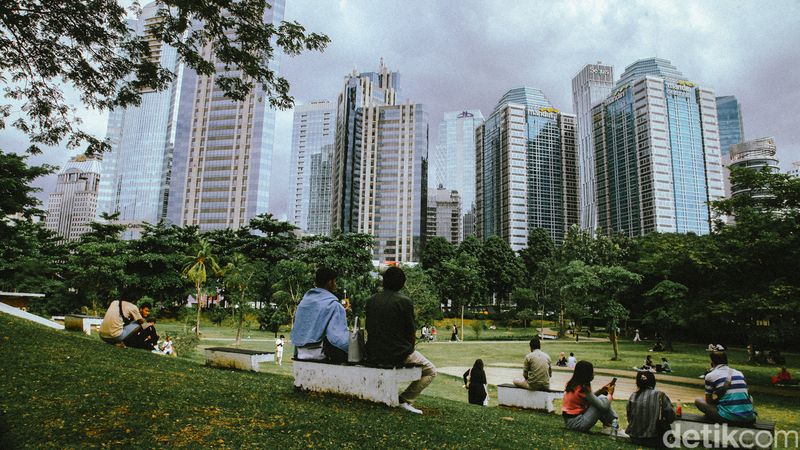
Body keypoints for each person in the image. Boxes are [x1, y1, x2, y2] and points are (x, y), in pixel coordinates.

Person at [365, 267, 437, 414]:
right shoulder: (404, 302)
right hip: (397, 352)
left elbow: (369, 327)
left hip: (373, 351)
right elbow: (410, 330)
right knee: (430, 370)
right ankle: (405, 399)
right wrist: (409, 348)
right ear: (402, 284)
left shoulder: (371, 301)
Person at [290, 267, 349, 363]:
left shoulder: (303, 303)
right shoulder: (333, 305)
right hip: (320, 355)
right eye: (335, 282)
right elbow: (337, 338)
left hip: (300, 353)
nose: (335, 285)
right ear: (330, 282)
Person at [562, 360, 628, 437]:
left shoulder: (573, 384)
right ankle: (614, 426)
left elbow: (590, 398)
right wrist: (610, 394)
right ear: (586, 374)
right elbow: (603, 407)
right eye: (592, 372)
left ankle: (608, 426)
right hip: (577, 424)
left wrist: (601, 390)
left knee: (602, 397)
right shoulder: (583, 388)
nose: (594, 374)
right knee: (603, 400)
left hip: (570, 422)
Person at [694, 351, 756, 424]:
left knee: (698, 401)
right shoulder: (739, 373)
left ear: (712, 363)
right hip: (750, 418)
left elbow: (709, 401)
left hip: (730, 418)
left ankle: (716, 416)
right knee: (749, 397)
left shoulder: (710, 376)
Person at [626, 370, 676, 447]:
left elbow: (630, 418)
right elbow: (671, 417)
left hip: (634, 438)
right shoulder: (660, 395)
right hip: (654, 439)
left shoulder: (633, 396)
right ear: (653, 382)